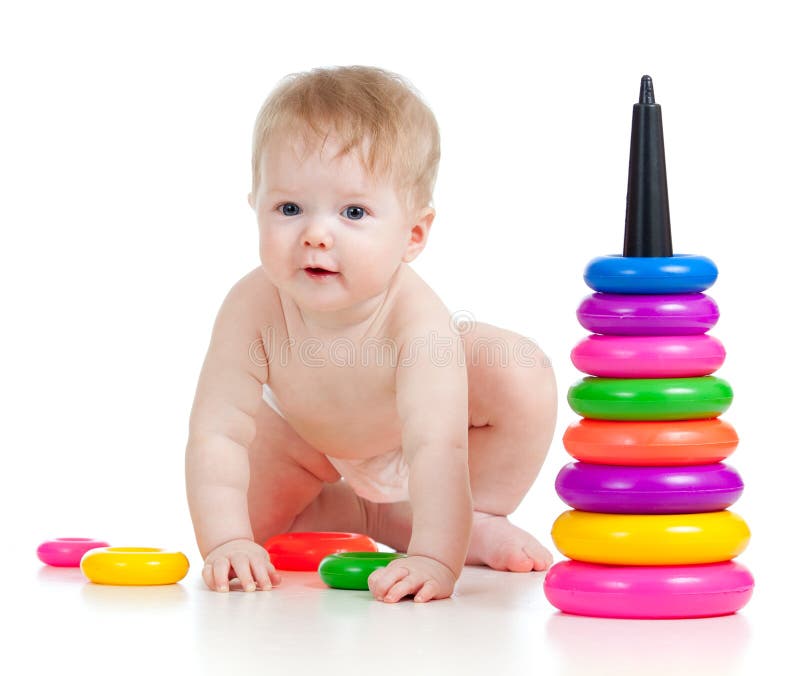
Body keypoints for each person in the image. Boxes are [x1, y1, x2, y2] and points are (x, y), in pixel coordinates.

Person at [185, 65, 557, 603]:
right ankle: (359, 513)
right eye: (288, 208)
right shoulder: (251, 306)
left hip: (418, 433)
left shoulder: (416, 320)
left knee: (519, 370)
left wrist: (435, 559)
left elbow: (436, 448)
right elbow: (218, 432)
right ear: (255, 207)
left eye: (353, 212)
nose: (315, 234)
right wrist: (225, 541)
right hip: (304, 437)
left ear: (412, 235)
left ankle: (470, 519)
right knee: (258, 537)